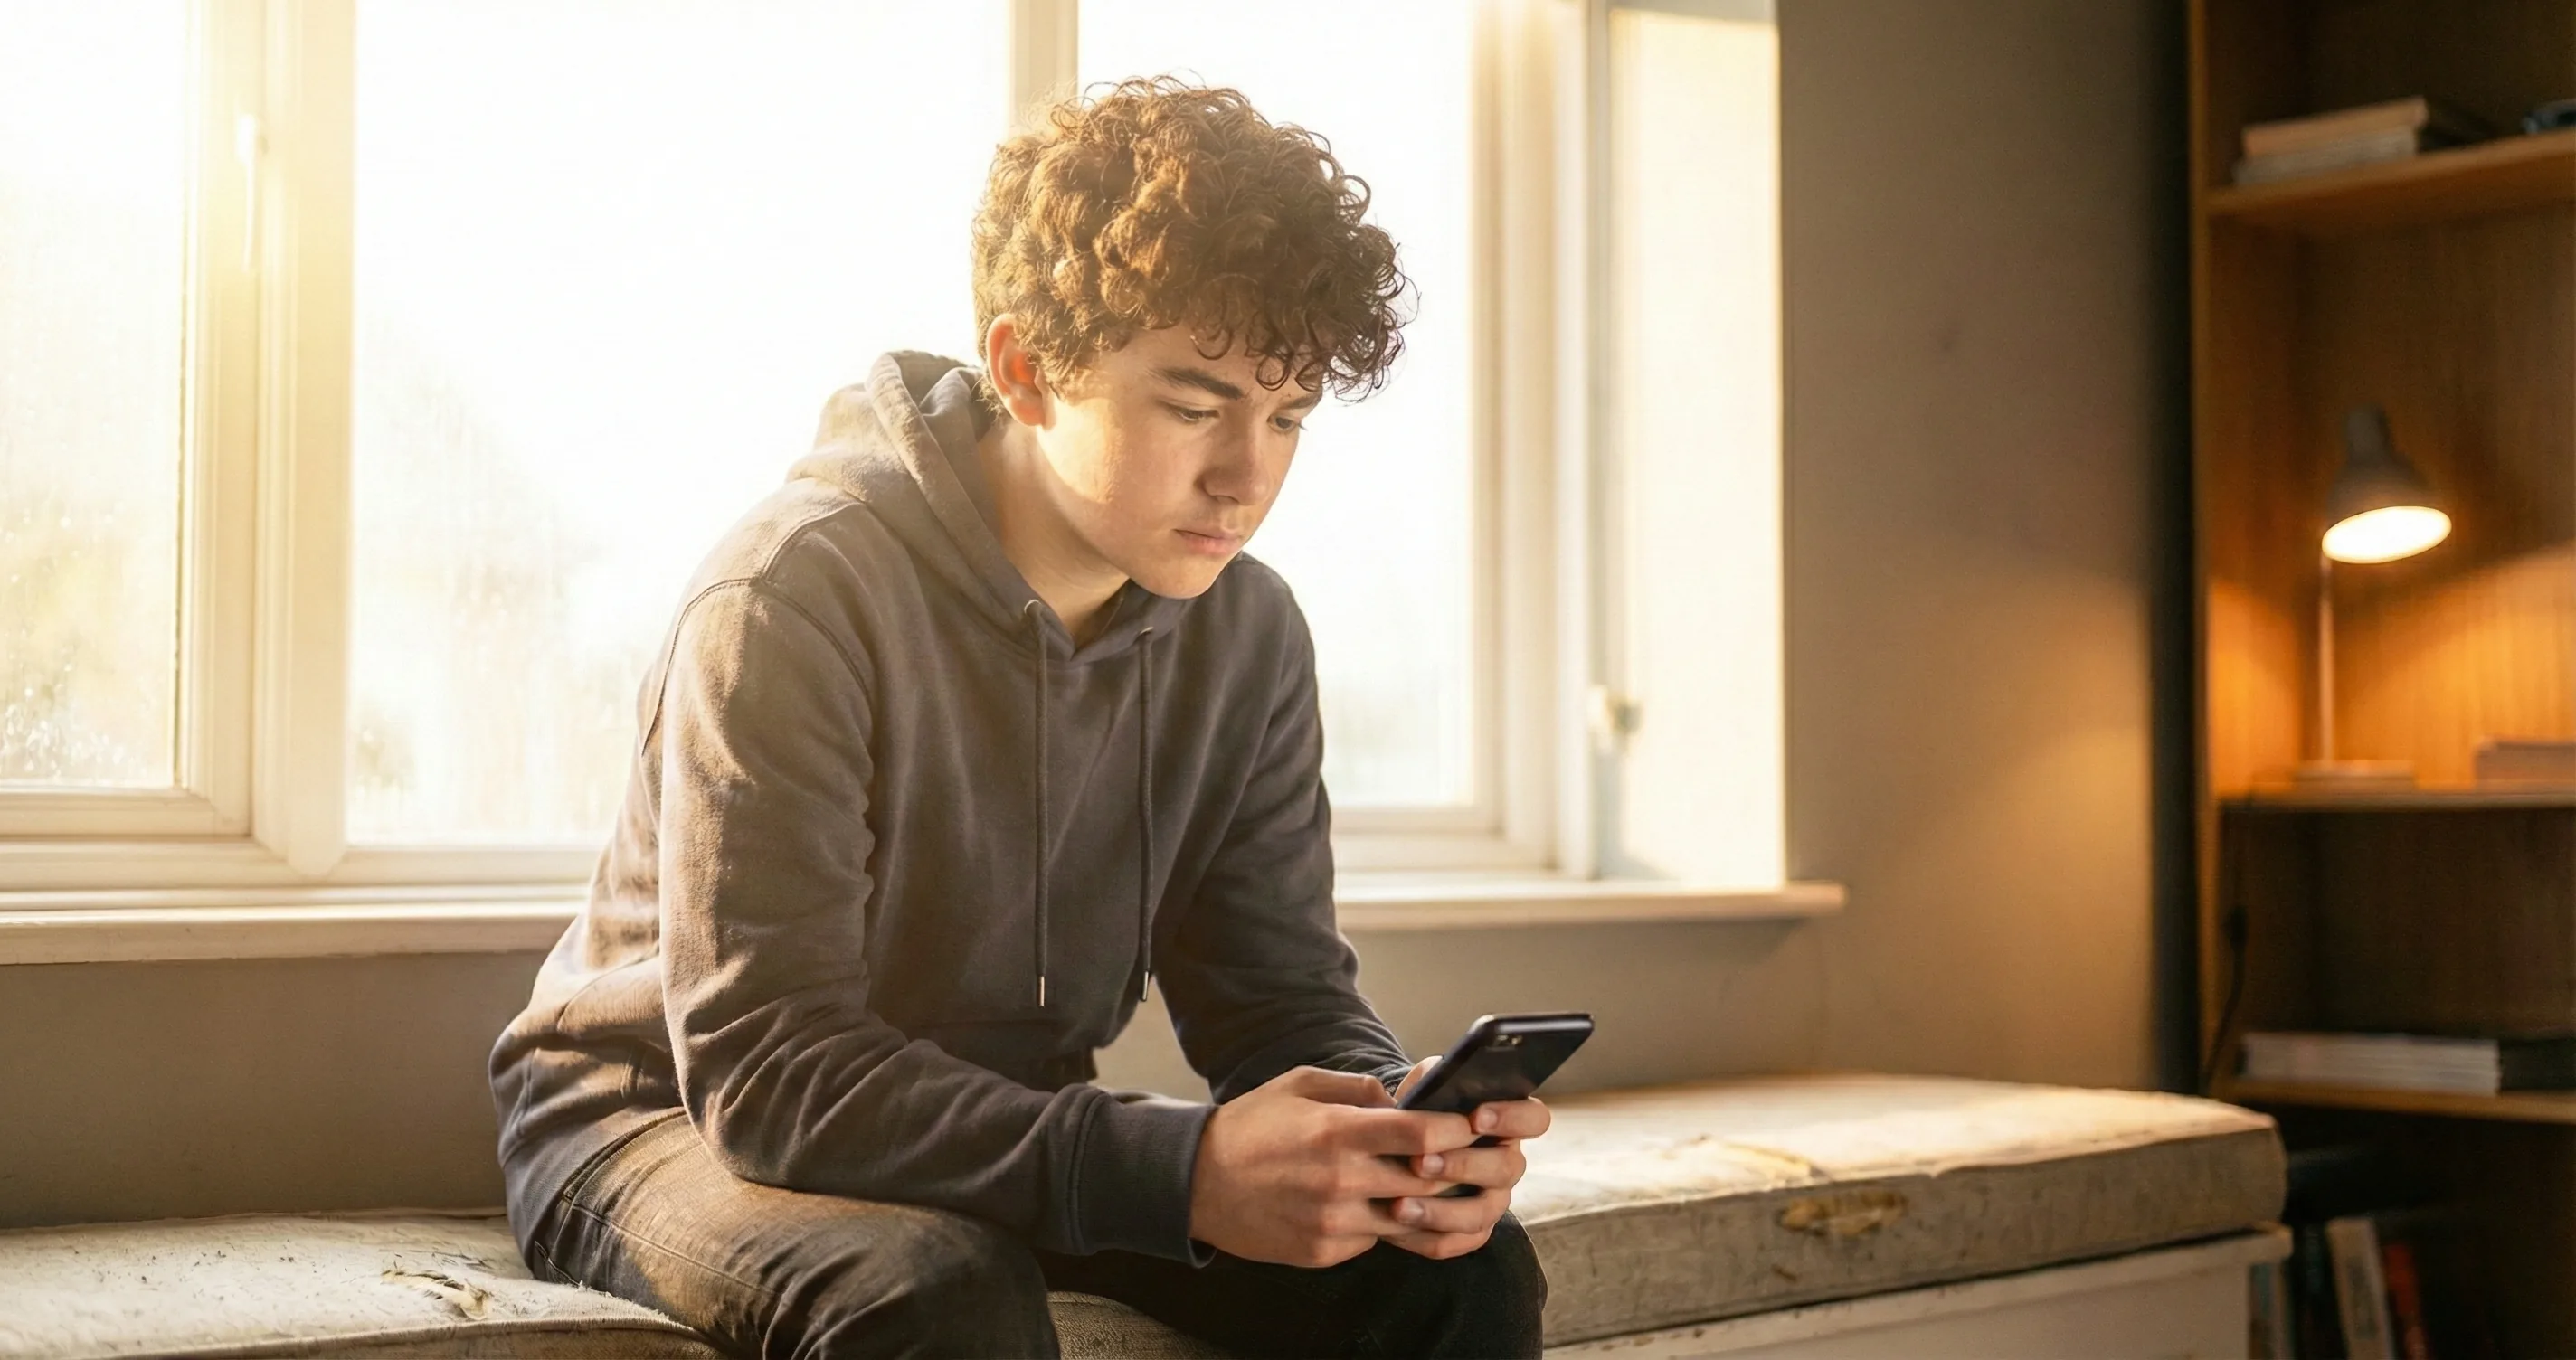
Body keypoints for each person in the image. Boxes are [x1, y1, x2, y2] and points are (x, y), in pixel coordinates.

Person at [488, 77, 1550, 1359]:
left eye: (1286, 418)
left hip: (992, 1118)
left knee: (1456, 1271)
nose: (1247, 476)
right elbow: (770, 1074)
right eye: (1194, 407)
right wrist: (1181, 1169)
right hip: (663, 1124)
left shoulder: (1247, 632)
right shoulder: (788, 598)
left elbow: (1276, 997)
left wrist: (1395, 1123)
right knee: (938, 1290)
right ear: (1025, 369)